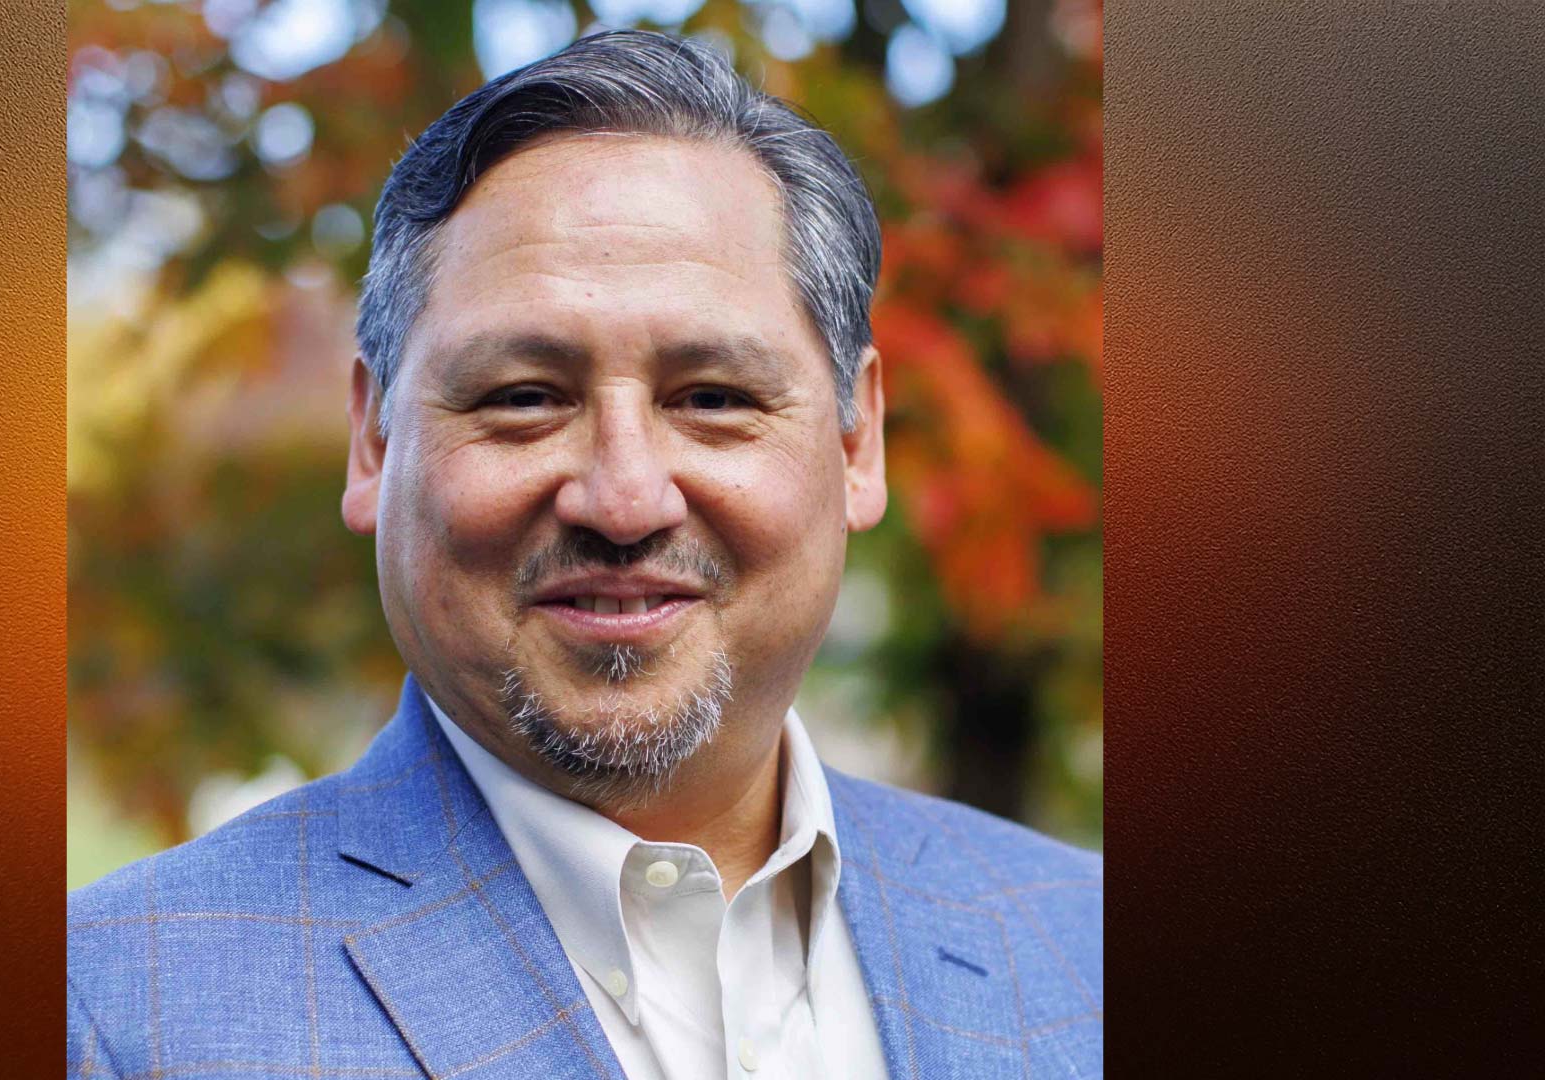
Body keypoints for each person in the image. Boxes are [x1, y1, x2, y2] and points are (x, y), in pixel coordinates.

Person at [68, 29, 1101, 1080]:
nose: (623, 498)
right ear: (374, 441)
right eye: (524, 397)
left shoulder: (1089, 950)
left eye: (713, 399)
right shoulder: (108, 1015)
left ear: (855, 441)